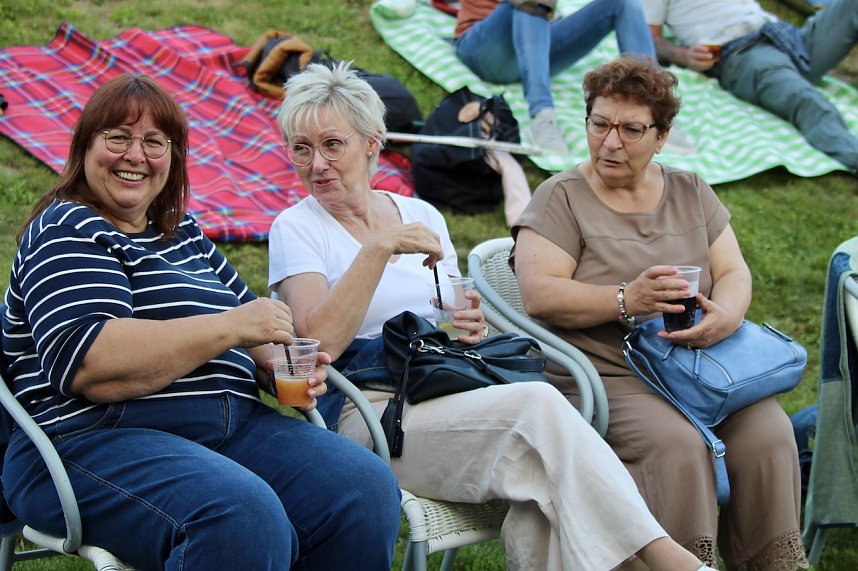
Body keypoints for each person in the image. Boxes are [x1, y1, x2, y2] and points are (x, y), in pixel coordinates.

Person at [268, 60, 717, 571]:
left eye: (332, 145)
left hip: (443, 389)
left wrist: (470, 328)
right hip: (369, 414)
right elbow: (315, 341)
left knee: (538, 495)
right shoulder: (296, 227)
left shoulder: (420, 215)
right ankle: (674, 561)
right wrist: (378, 249)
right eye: (301, 149)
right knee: (537, 406)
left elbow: (450, 313)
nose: (317, 164)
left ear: (372, 143)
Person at [0, 74, 401, 571]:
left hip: (229, 427)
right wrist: (230, 328)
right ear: (85, 148)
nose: (136, 155)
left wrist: (282, 366)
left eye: (154, 142)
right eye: (118, 138)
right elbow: (91, 362)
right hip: (90, 440)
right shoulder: (66, 228)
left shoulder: (184, 234)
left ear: (174, 157)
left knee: (360, 485)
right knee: (238, 513)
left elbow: (258, 336)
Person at [511, 56, 808, 569]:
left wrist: (728, 316)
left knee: (770, 434)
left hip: (702, 371)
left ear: (661, 136)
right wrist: (627, 300)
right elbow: (540, 294)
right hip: (609, 374)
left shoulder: (691, 191)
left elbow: (735, 272)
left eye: (630, 129)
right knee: (677, 445)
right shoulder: (561, 198)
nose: (610, 142)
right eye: (600, 124)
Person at [643, 0, 858, 175]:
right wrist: (684, 56)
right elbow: (648, 38)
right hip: (742, 52)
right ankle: (852, 154)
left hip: (785, 37)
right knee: (808, 102)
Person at [454, 0, 657, 154]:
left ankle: (652, 108)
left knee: (623, 3)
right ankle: (542, 115)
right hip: (483, 49)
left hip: (536, 46)